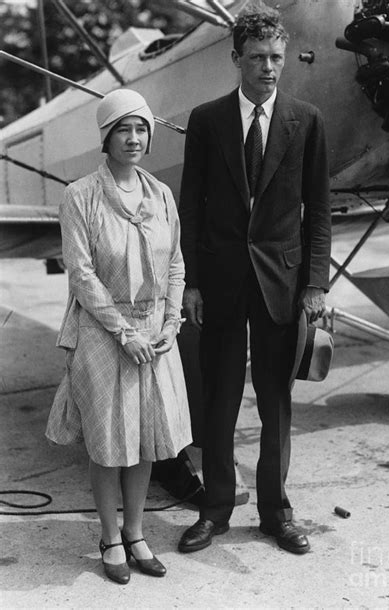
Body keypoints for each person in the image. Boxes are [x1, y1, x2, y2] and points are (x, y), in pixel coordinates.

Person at [178, 4, 331, 556]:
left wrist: (315, 283)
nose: (269, 68)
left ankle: (276, 512)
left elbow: (319, 210)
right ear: (236, 58)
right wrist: (191, 282)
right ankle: (215, 509)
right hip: (219, 283)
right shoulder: (207, 119)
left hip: (282, 286)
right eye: (259, 58)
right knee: (219, 398)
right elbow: (190, 208)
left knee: (275, 402)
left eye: (277, 58)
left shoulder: (305, 120)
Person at [46, 89, 192, 584]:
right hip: (105, 331)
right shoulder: (80, 194)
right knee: (110, 443)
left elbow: (175, 263)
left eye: (142, 129)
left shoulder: (161, 194)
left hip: (155, 333)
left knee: (147, 439)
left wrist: (171, 322)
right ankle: (109, 537)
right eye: (123, 129)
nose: (134, 139)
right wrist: (124, 332)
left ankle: (136, 532)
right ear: (106, 137)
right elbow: (81, 275)